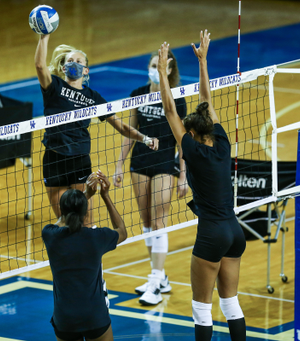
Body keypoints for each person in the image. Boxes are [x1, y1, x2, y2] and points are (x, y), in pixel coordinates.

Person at [156, 31, 247, 341]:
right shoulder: (222, 143)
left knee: (202, 309)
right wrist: (203, 62)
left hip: (211, 234)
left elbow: (170, 111)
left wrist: (161, 76)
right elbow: (206, 103)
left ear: (193, 135)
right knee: (231, 302)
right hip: (235, 232)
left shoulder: (192, 151)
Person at [35, 34, 159, 221]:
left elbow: (122, 127)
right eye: (70, 60)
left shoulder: (93, 98)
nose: (74, 63)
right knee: (64, 221)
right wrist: (44, 37)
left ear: (85, 71)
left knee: (85, 221)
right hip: (54, 160)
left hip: (79, 160)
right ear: (63, 67)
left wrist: (145, 138)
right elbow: (39, 66)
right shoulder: (54, 87)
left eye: (78, 61)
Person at [112, 50, 188, 306]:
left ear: (169, 71)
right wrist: (120, 165)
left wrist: (184, 175)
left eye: (161, 66)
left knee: (159, 221)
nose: (156, 69)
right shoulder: (137, 94)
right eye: (153, 64)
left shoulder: (177, 98)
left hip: (166, 163)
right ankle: (161, 277)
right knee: (145, 221)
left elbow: (183, 140)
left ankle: (155, 281)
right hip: (140, 163)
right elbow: (129, 132)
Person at [42, 170, 126, 341]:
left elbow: (61, 222)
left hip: (65, 319)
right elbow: (122, 231)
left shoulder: (50, 235)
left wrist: (85, 196)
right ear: (85, 213)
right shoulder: (97, 237)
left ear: (62, 212)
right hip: (94, 316)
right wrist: (105, 196)